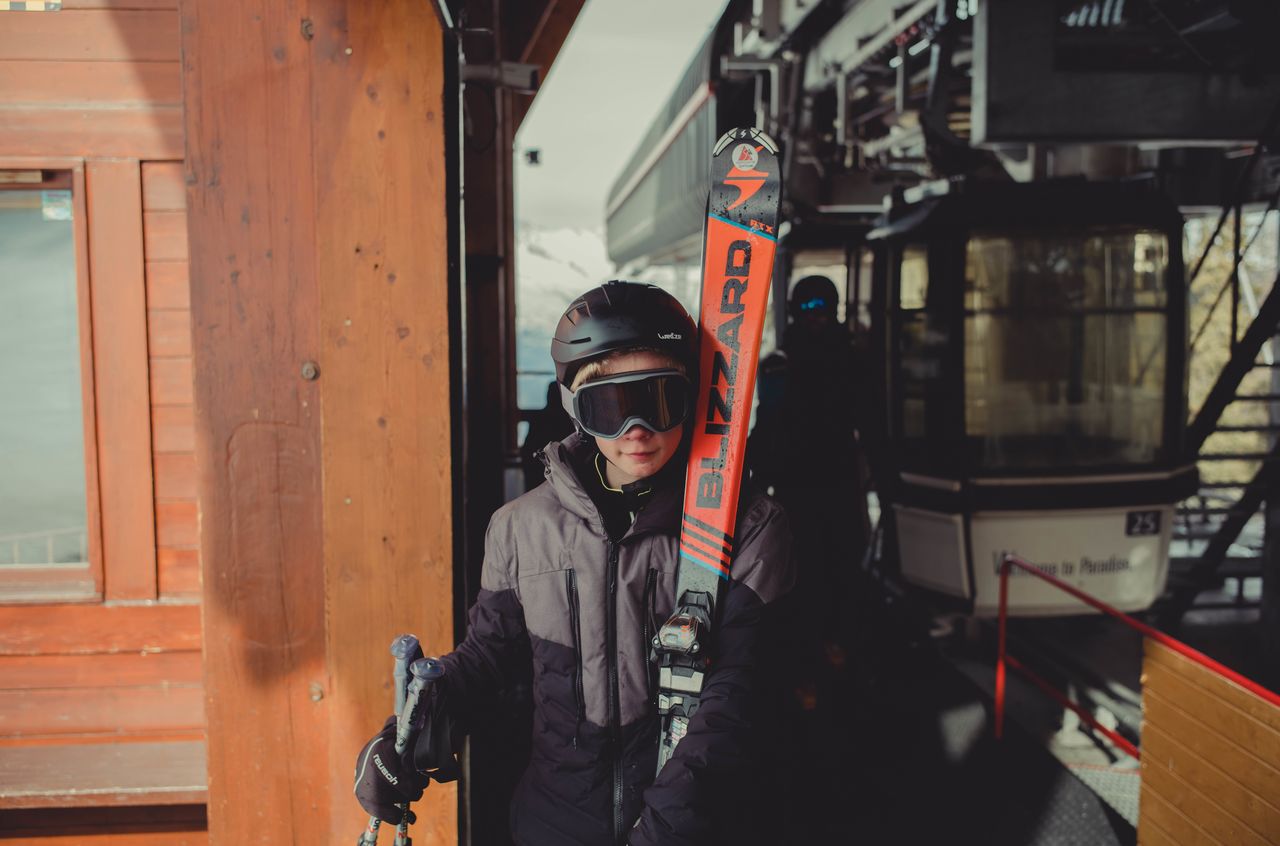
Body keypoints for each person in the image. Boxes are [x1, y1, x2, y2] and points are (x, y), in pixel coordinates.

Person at [354, 280, 795, 845]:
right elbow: (489, 658)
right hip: (555, 822)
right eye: (609, 407)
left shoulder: (751, 529)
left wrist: (665, 828)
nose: (636, 432)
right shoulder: (522, 528)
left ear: (692, 398)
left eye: (659, 400)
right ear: (575, 409)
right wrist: (410, 731)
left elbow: (734, 698)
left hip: (694, 826)